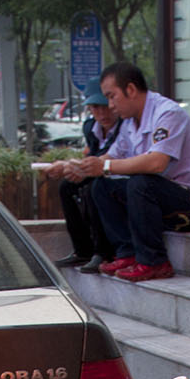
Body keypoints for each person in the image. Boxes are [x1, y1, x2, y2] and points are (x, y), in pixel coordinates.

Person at [80, 62, 190, 283]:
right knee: (102, 186)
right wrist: (84, 167)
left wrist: (104, 167)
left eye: (112, 96)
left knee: (141, 183)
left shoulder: (167, 113)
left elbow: (156, 163)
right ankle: (127, 254)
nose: (110, 105)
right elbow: (112, 156)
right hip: (162, 199)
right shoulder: (129, 122)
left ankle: (155, 262)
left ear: (131, 90)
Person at [42, 82, 122, 272]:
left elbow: (116, 156)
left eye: (105, 107)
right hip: (99, 168)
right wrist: (69, 166)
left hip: (119, 173)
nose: (102, 114)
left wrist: (78, 167)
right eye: (95, 108)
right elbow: (92, 156)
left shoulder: (125, 126)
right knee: (67, 186)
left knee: (96, 187)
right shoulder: (90, 127)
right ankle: (82, 250)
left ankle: (103, 252)